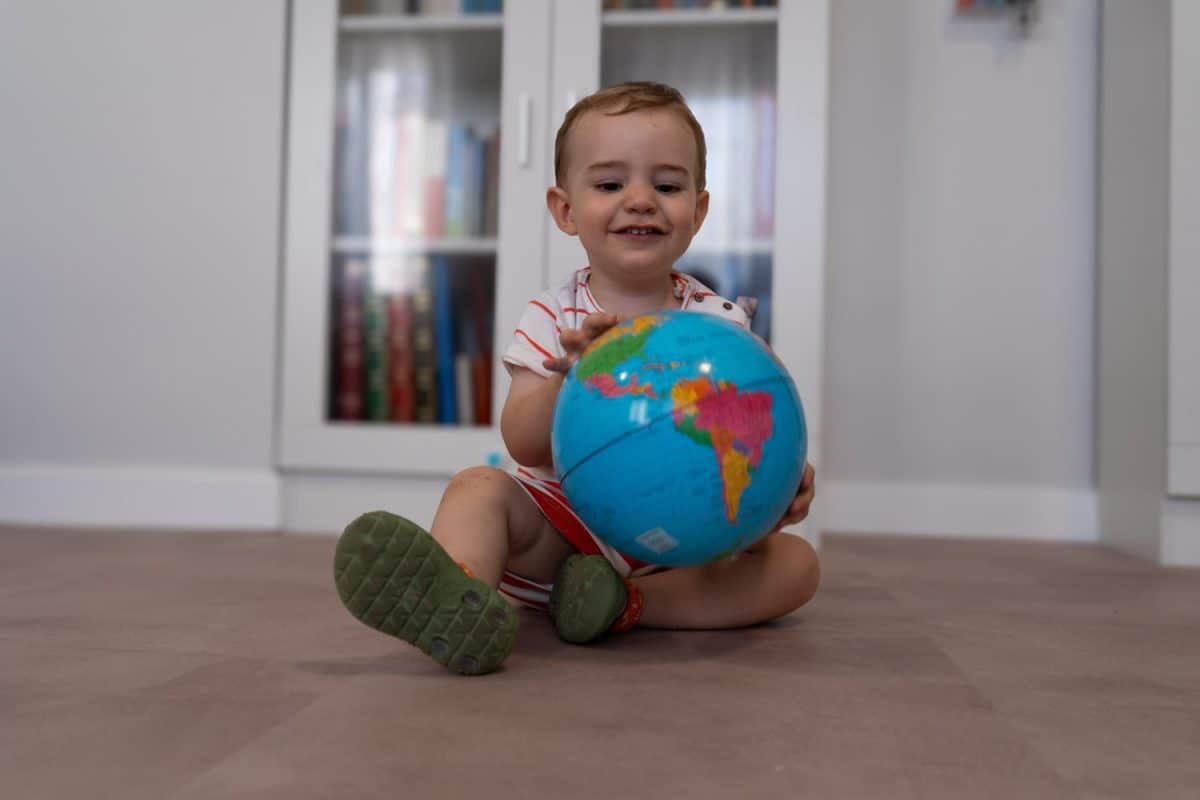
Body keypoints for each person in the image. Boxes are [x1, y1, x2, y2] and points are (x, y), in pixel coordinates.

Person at [333, 81, 819, 676]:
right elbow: (523, 442)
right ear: (565, 210)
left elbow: (758, 431)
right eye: (611, 184)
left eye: (666, 185)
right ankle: (458, 596)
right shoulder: (554, 314)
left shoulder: (721, 330)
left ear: (698, 209)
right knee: (478, 487)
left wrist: (779, 490)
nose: (640, 200)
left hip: (678, 551)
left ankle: (625, 605)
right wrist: (567, 376)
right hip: (557, 538)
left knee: (797, 567)